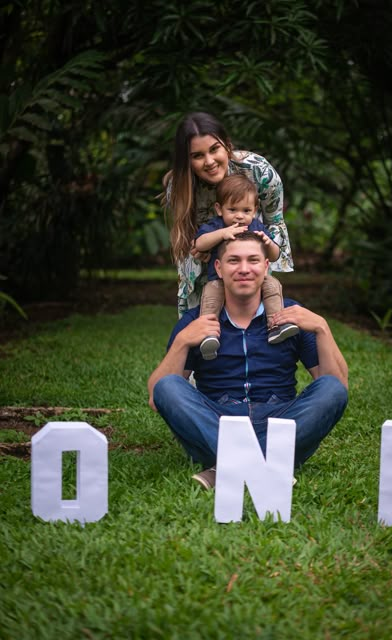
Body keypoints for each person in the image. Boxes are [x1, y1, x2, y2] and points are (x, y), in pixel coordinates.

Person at [148, 232, 349, 490]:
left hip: (280, 421)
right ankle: (268, 465)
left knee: (331, 389)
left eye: (253, 260)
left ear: (266, 267)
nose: (244, 269)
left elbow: (337, 384)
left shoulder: (289, 316)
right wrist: (182, 341)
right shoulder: (195, 321)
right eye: (234, 261)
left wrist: (322, 327)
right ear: (219, 268)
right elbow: (157, 397)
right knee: (167, 386)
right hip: (218, 420)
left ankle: (227, 466)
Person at [163, 111, 294, 318]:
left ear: (227, 144)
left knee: (251, 316)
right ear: (186, 161)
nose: (209, 161)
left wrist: (263, 250)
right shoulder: (179, 188)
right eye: (197, 156)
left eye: (215, 149)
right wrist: (200, 248)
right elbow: (186, 235)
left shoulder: (258, 171)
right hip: (205, 253)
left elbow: (275, 222)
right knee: (202, 317)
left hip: (250, 251)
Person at [194, 173, 298, 360]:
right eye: (232, 210)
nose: (240, 217)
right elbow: (200, 244)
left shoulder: (257, 226)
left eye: (246, 210)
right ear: (219, 209)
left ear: (255, 210)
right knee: (210, 296)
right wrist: (223, 233)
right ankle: (208, 335)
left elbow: (274, 256)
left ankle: (276, 326)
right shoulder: (216, 226)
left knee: (273, 285)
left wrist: (268, 243)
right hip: (221, 281)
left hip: (256, 281)